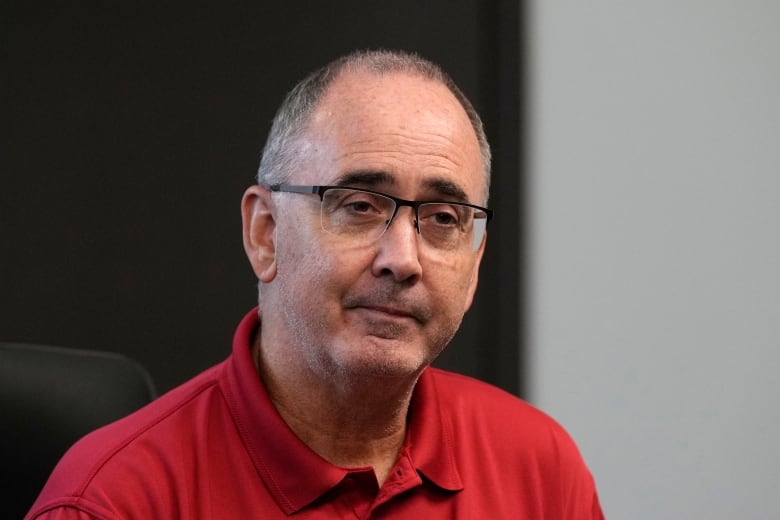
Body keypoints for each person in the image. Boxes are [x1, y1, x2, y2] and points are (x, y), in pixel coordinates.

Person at [27, 50, 604, 519]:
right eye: (358, 205)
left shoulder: (539, 467)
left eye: (443, 219)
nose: (402, 260)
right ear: (266, 233)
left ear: (475, 264)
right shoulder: (110, 502)